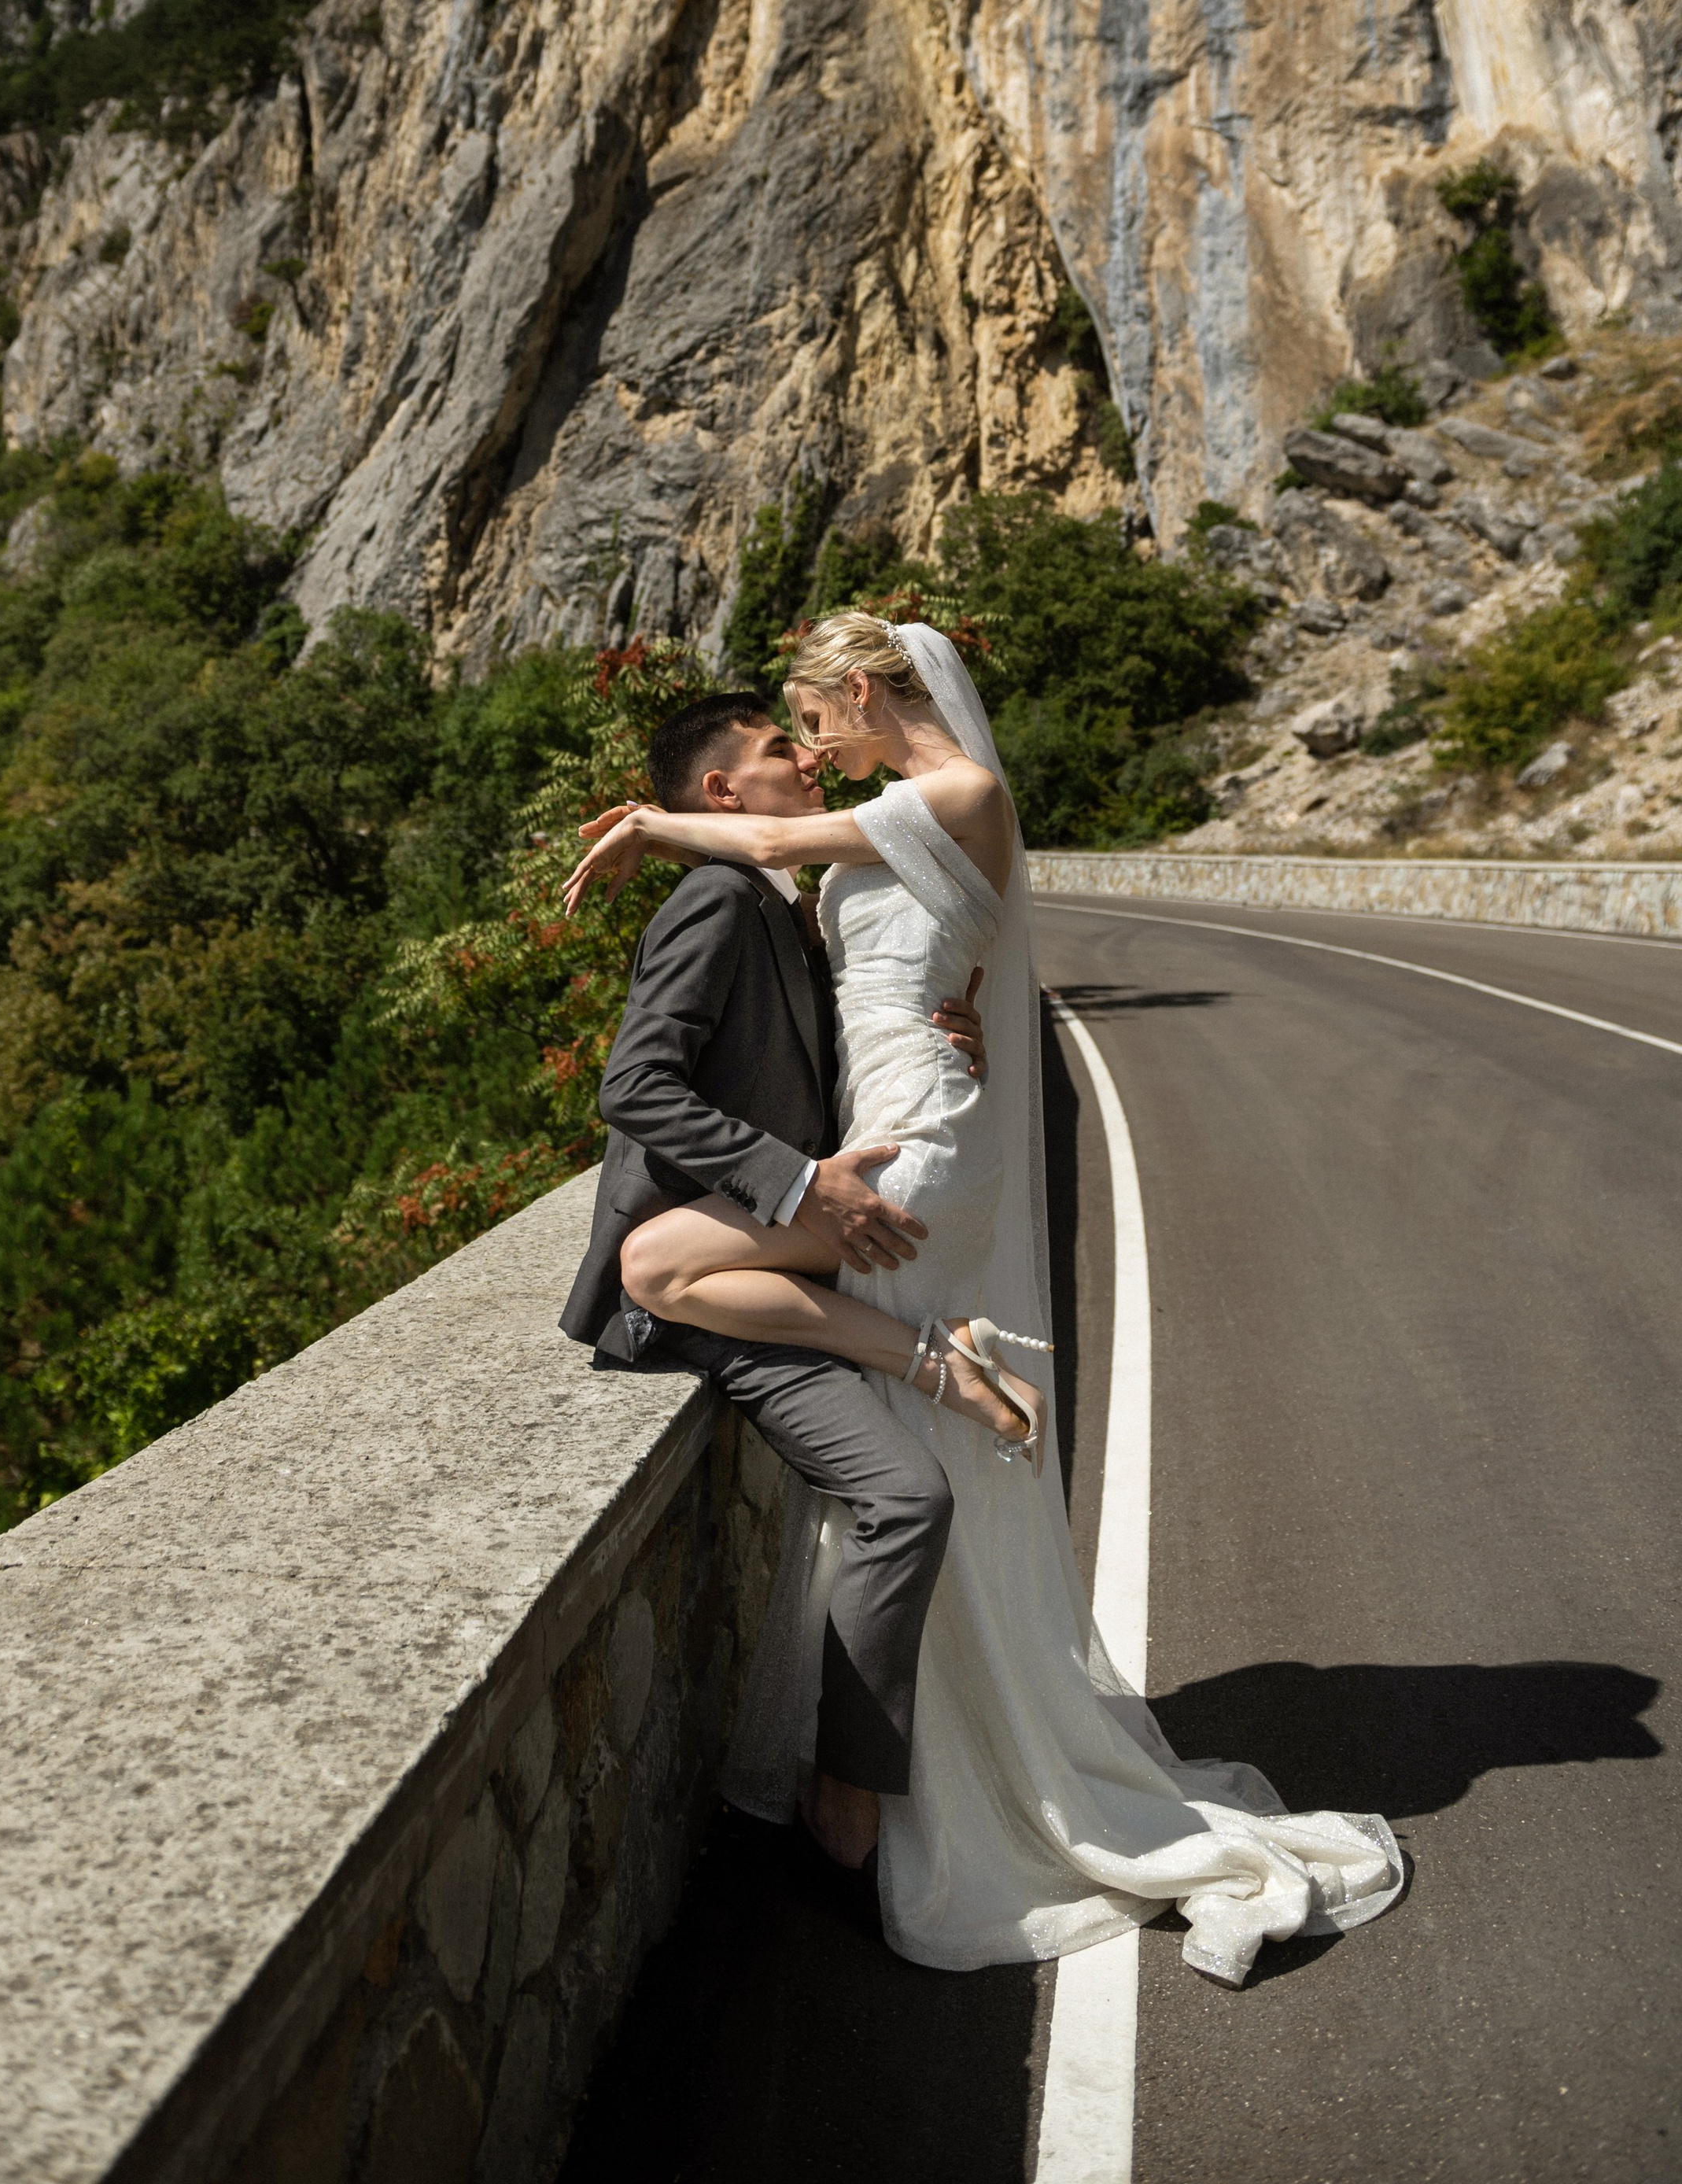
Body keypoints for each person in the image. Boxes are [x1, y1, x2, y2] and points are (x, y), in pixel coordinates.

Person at [563, 615, 1404, 1985]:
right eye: (791, 738)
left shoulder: (953, 793)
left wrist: (653, 827)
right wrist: (935, 1023)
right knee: (914, 1472)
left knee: (662, 1267)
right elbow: (902, 967)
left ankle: (933, 1372)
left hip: (912, 1147)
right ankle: (931, 1763)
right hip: (907, 1117)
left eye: (812, 721)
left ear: (861, 692)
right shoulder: (905, 814)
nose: (813, 750)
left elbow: (774, 846)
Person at [559, 689, 995, 1876]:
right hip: (704, 1283)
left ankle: (844, 1792)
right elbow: (633, 1087)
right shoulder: (717, 899)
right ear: (723, 793)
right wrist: (799, 1186)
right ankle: (845, 1818)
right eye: (774, 751)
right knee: (909, 1497)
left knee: (911, 1501)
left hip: (780, 1259)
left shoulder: (785, 902)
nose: (806, 760)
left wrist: (954, 1036)